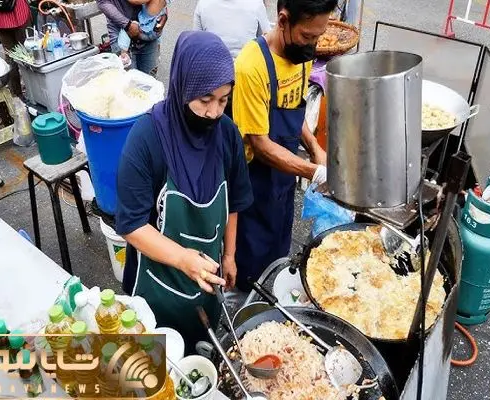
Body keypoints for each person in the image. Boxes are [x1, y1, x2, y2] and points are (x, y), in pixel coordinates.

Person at [115, 31, 253, 349]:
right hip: (155, 290)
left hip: (206, 281)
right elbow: (131, 225)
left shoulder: (227, 134)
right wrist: (181, 259)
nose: (214, 112)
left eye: (223, 100)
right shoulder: (147, 138)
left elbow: (234, 201)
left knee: (201, 356)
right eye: (205, 100)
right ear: (183, 86)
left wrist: (229, 255)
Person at [232, 0, 335, 292]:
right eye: (307, 36)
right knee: (250, 270)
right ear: (283, 20)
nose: (312, 45)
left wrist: (314, 147)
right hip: (254, 184)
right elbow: (261, 145)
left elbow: (293, 110)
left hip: (283, 181)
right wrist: (314, 172)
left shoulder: (300, 56)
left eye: (318, 36)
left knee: (279, 254)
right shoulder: (251, 66)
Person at [97, 0, 167, 76]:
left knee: (150, 79)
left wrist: (163, 12)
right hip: (121, 36)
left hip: (148, 32)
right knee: (128, 81)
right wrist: (127, 25)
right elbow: (102, 3)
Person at [193, 0, 271, 60]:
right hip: (246, 68)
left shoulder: (203, 4)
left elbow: (195, 45)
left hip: (213, 68)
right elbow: (268, 41)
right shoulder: (256, 4)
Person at [0, 0, 31, 97]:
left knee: (10, 57)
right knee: (29, 55)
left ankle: (16, 94)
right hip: (19, 13)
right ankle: (34, 94)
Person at [116, 0, 167, 67]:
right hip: (156, 26)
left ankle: (123, 55)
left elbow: (136, 1)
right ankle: (157, 53)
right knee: (156, 36)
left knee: (126, 29)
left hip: (146, 30)